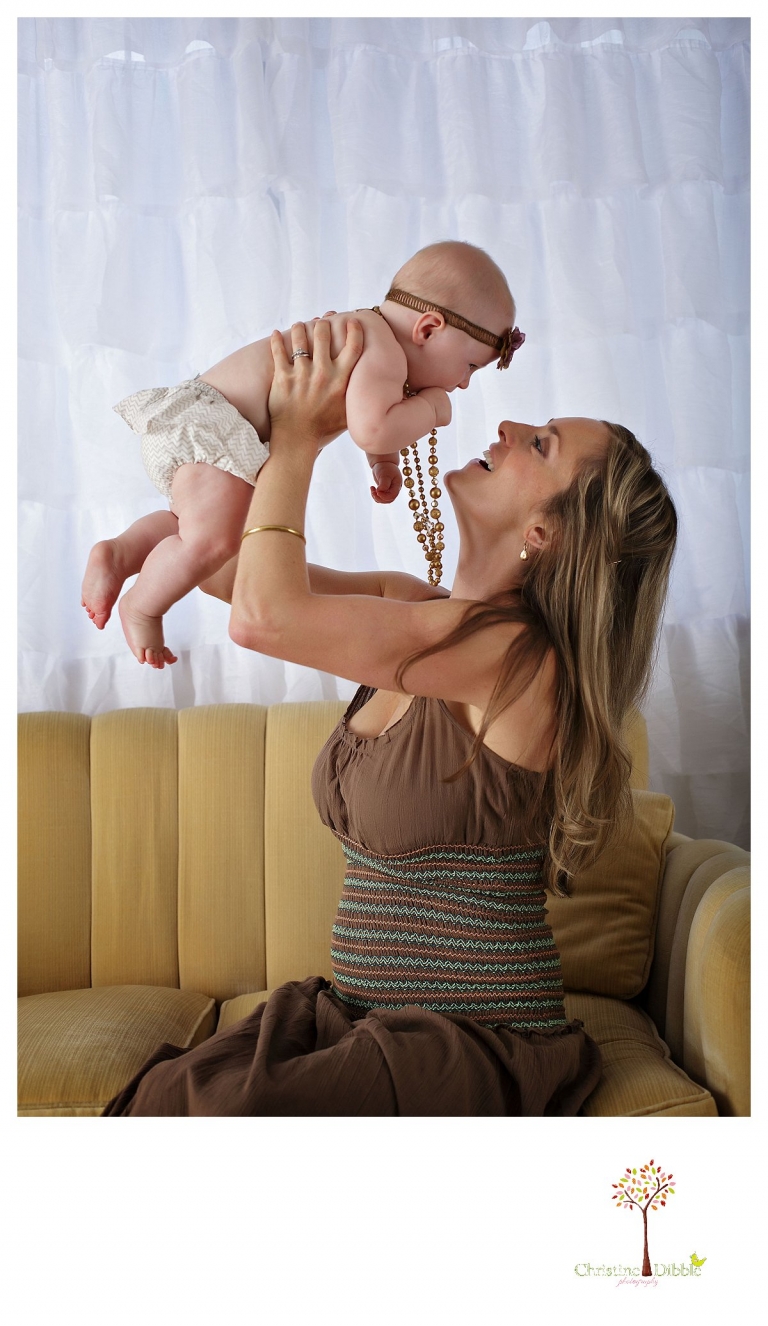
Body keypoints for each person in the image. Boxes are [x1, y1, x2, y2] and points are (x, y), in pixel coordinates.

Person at [103, 316, 677, 1117]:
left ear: (545, 534)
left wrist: (298, 444)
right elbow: (239, 575)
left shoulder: (517, 659)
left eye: (540, 444)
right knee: (168, 1105)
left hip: (466, 1043)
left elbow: (265, 619)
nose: (507, 426)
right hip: (360, 1017)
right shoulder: (415, 609)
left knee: (217, 1121)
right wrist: (145, 541)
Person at [81, 241, 523, 669]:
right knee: (212, 542)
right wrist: (431, 409)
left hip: (215, 428)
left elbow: (368, 417)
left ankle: (123, 553)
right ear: (428, 329)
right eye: (470, 367)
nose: (464, 384)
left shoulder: (371, 336)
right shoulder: (383, 350)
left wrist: (384, 462)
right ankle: (142, 608)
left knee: (204, 532)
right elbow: (372, 428)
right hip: (213, 426)